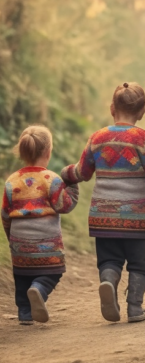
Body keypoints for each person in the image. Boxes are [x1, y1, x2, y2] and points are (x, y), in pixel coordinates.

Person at [61, 82, 145, 323]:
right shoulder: (143, 139)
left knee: (109, 260)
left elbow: (82, 172)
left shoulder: (97, 138)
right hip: (137, 217)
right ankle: (135, 308)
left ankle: (108, 283)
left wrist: (64, 174)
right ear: (142, 113)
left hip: (103, 216)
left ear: (112, 108)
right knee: (139, 265)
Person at [1, 126, 79, 324]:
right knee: (54, 272)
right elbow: (65, 205)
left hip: (20, 244)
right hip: (47, 243)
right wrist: (72, 185)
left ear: (22, 151)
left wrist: (12, 238)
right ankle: (39, 289)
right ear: (48, 151)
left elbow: (5, 214)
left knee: (22, 276)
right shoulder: (51, 179)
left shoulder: (11, 181)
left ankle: (25, 314)